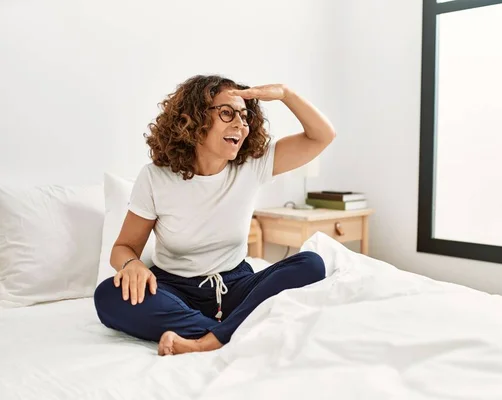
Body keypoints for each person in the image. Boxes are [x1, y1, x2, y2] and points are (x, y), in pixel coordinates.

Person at [93, 75, 336, 356]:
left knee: (311, 263)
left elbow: (322, 135)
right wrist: (132, 264)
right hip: (175, 290)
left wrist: (286, 94)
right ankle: (234, 331)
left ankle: (206, 341)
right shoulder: (155, 178)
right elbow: (123, 248)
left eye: (245, 117)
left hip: (236, 286)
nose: (240, 124)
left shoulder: (253, 165)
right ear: (193, 120)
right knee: (108, 296)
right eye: (226, 113)